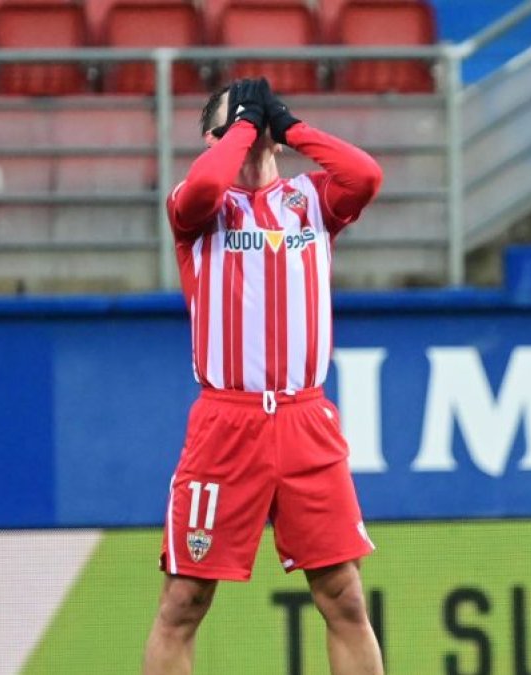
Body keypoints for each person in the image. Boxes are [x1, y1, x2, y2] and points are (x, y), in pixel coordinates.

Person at [142, 77, 386, 675]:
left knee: (345, 598)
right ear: (212, 137)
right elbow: (205, 184)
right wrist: (244, 129)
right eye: (237, 118)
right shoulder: (200, 208)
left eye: (258, 115)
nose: (252, 125)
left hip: (305, 419)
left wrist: (293, 128)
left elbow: (366, 176)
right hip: (228, 421)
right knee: (183, 602)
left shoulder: (311, 201)